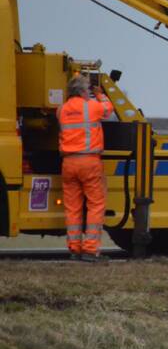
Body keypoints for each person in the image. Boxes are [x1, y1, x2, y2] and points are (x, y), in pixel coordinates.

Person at [58, 75, 113, 262]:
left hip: (68, 163)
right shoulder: (91, 106)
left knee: (72, 207)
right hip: (89, 161)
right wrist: (100, 94)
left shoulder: (62, 110)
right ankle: (90, 249)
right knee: (95, 205)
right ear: (83, 91)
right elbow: (108, 110)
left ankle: (74, 248)